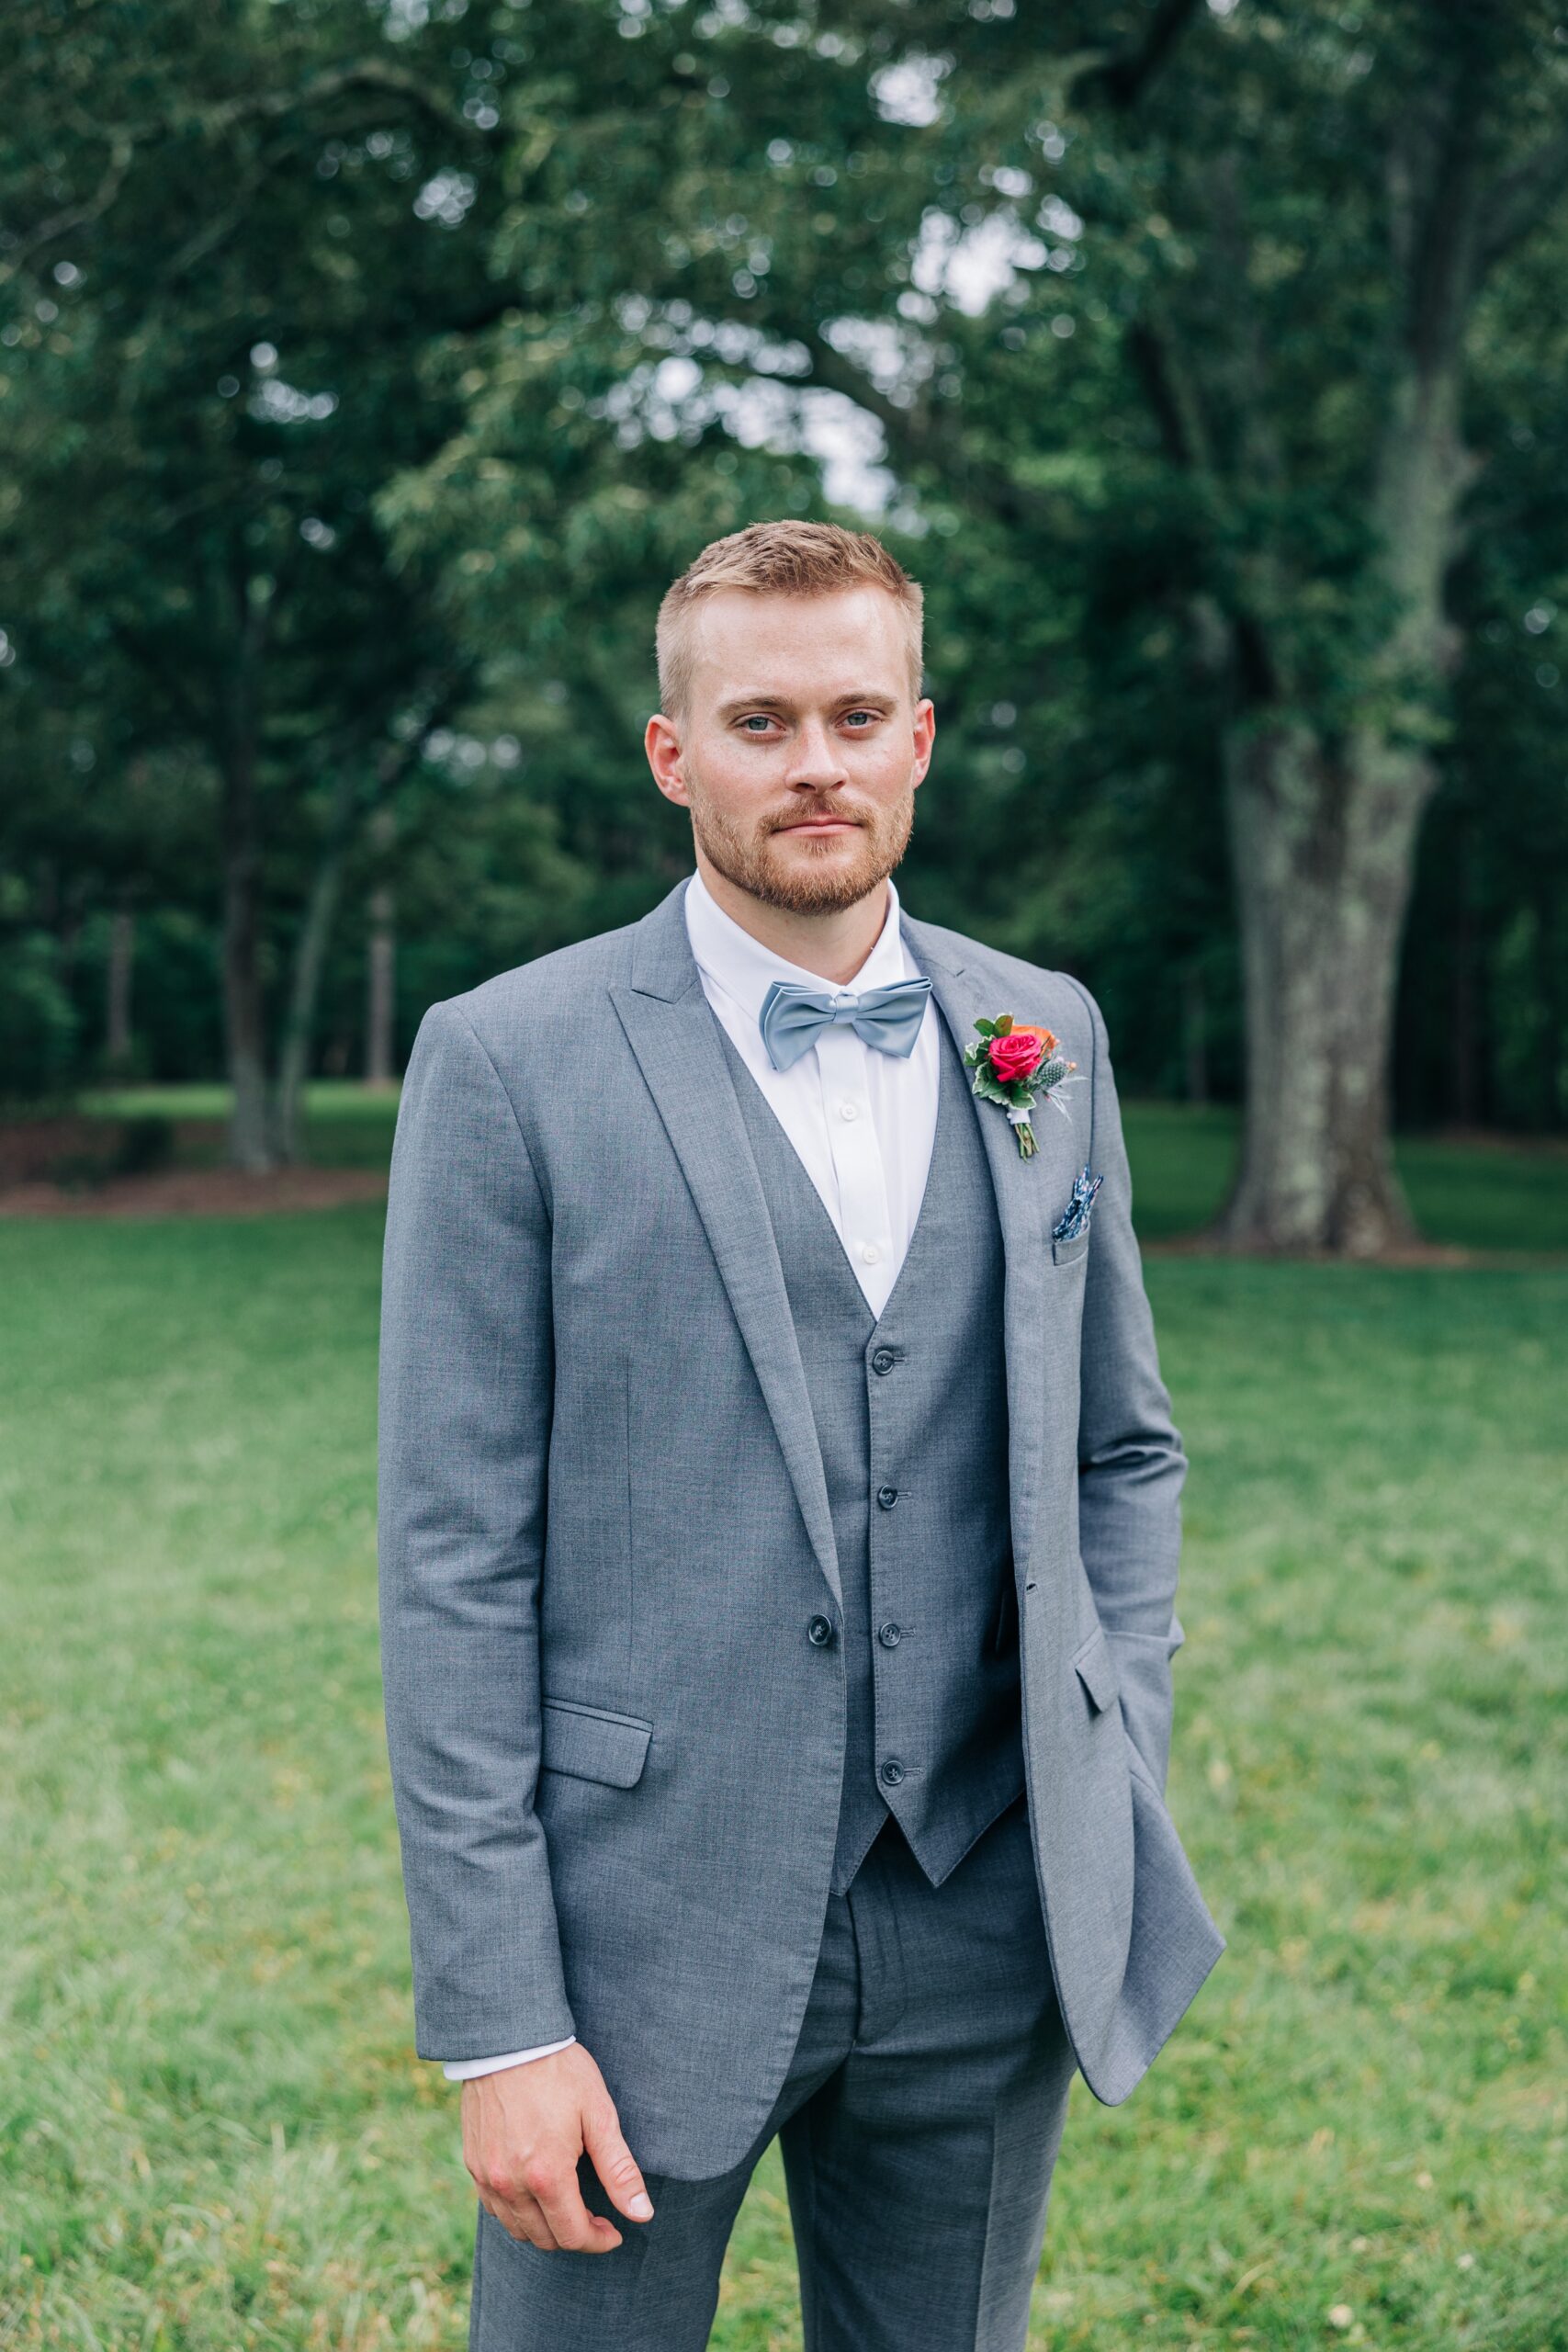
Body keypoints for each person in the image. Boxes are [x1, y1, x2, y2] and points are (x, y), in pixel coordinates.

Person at [377, 519, 1223, 2352]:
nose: (814, 761)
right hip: (629, 1927)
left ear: (919, 735)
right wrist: (502, 2021)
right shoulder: (506, 1058)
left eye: (854, 713)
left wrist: (1106, 1734)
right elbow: (453, 1555)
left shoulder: (1039, 1033)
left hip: (982, 1902)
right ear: (676, 753)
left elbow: (1119, 1450)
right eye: (760, 720)